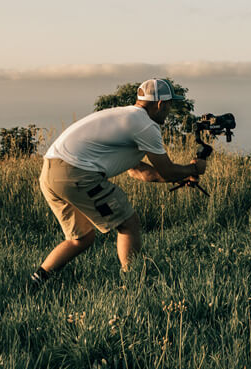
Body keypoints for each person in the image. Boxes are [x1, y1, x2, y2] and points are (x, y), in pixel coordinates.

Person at [29, 78, 206, 287]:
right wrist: (194, 169)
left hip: (50, 173)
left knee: (81, 238)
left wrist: (182, 175)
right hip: (77, 174)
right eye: (169, 105)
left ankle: (35, 282)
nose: (169, 111)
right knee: (128, 223)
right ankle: (133, 284)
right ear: (160, 104)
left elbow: (139, 171)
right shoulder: (145, 125)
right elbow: (167, 170)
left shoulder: (123, 116)